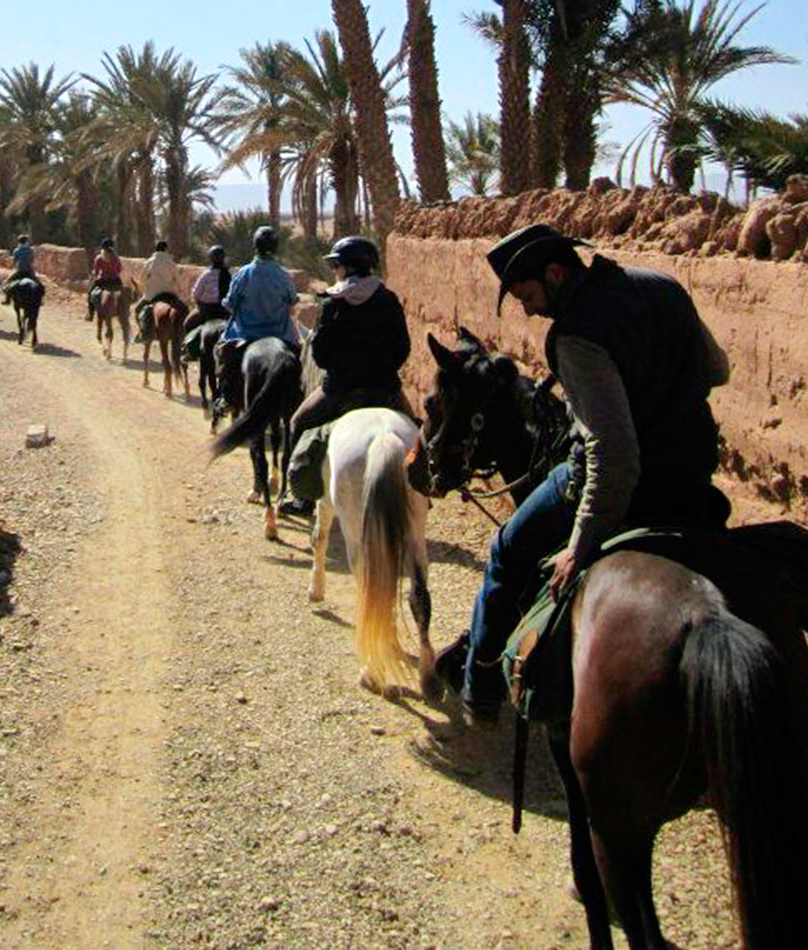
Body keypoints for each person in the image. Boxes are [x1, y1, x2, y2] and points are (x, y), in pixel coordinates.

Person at [437, 222, 732, 723]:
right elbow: (718, 370)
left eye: (528, 295)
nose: (528, 309)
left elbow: (613, 452)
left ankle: (480, 680)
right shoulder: (663, 286)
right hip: (690, 477)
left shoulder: (574, 336)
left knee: (506, 551)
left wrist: (584, 541)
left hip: (626, 487)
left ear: (555, 273)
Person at [277, 236, 414, 517]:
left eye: (336, 265)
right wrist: (382, 369)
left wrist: (342, 368)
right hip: (385, 387)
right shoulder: (388, 299)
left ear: (346, 268)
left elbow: (321, 354)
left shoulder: (333, 303)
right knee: (417, 431)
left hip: (339, 389)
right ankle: (424, 487)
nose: (335, 271)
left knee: (298, 423)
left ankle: (302, 497)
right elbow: (403, 348)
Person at [214, 226, 300, 409]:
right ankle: (296, 398)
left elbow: (230, 304)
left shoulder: (243, 273)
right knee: (298, 358)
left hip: (245, 334)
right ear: (275, 248)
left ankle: (226, 397)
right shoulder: (284, 276)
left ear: (255, 246)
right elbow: (292, 303)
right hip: (280, 334)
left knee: (224, 354)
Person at [134, 240, 187, 342]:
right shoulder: (171, 262)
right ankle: (182, 337)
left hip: (153, 294)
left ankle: (143, 332)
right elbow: (178, 279)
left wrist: (146, 289)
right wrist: (179, 289)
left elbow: (142, 279)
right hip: (170, 294)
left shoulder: (149, 262)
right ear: (166, 249)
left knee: (137, 310)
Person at [184, 245, 232, 336]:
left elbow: (196, 294)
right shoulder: (228, 275)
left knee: (187, 324)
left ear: (210, 258)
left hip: (206, 311)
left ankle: (186, 348)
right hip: (224, 311)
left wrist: (198, 303)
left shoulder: (206, 274)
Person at [87, 237, 124, 320]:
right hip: (115, 281)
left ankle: (90, 314)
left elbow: (96, 271)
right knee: (124, 294)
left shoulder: (99, 258)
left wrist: (94, 275)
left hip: (104, 281)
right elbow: (119, 269)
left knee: (90, 293)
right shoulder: (116, 258)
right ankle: (124, 312)